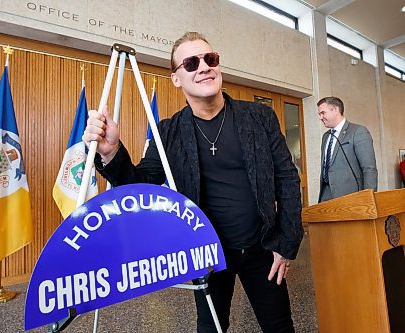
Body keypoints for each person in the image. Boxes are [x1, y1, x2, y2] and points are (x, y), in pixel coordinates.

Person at [83, 32, 303, 333]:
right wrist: (111, 153)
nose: (204, 67)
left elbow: (288, 179)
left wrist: (286, 244)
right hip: (207, 254)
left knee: (279, 326)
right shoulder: (169, 132)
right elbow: (142, 183)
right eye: (191, 63)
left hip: (262, 248)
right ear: (176, 78)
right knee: (210, 328)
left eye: (210, 59)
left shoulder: (259, 117)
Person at [317, 97, 378, 202]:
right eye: (319, 114)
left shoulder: (358, 132)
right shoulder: (326, 137)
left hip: (351, 198)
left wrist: (368, 200)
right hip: (325, 198)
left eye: (323, 113)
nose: (320, 117)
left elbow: (369, 169)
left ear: (335, 110)